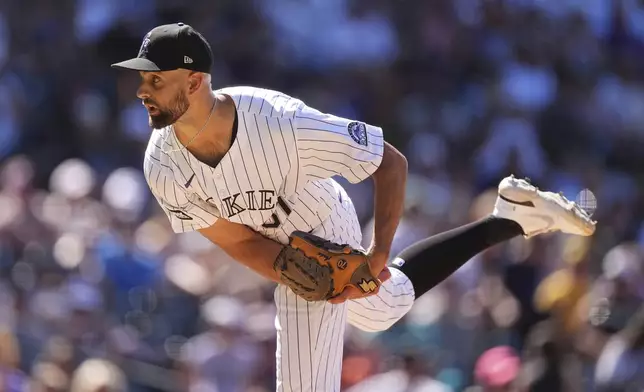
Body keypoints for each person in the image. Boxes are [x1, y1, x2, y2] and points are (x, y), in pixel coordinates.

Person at [111, 22, 596, 392]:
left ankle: (506, 219)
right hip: (277, 245)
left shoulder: (280, 123)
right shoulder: (163, 165)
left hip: (323, 218)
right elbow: (235, 238)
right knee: (384, 308)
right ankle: (507, 218)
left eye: (155, 80)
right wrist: (291, 268)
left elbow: (390, 162)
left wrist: (379, 254)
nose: (142, 90)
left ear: (194, 82)